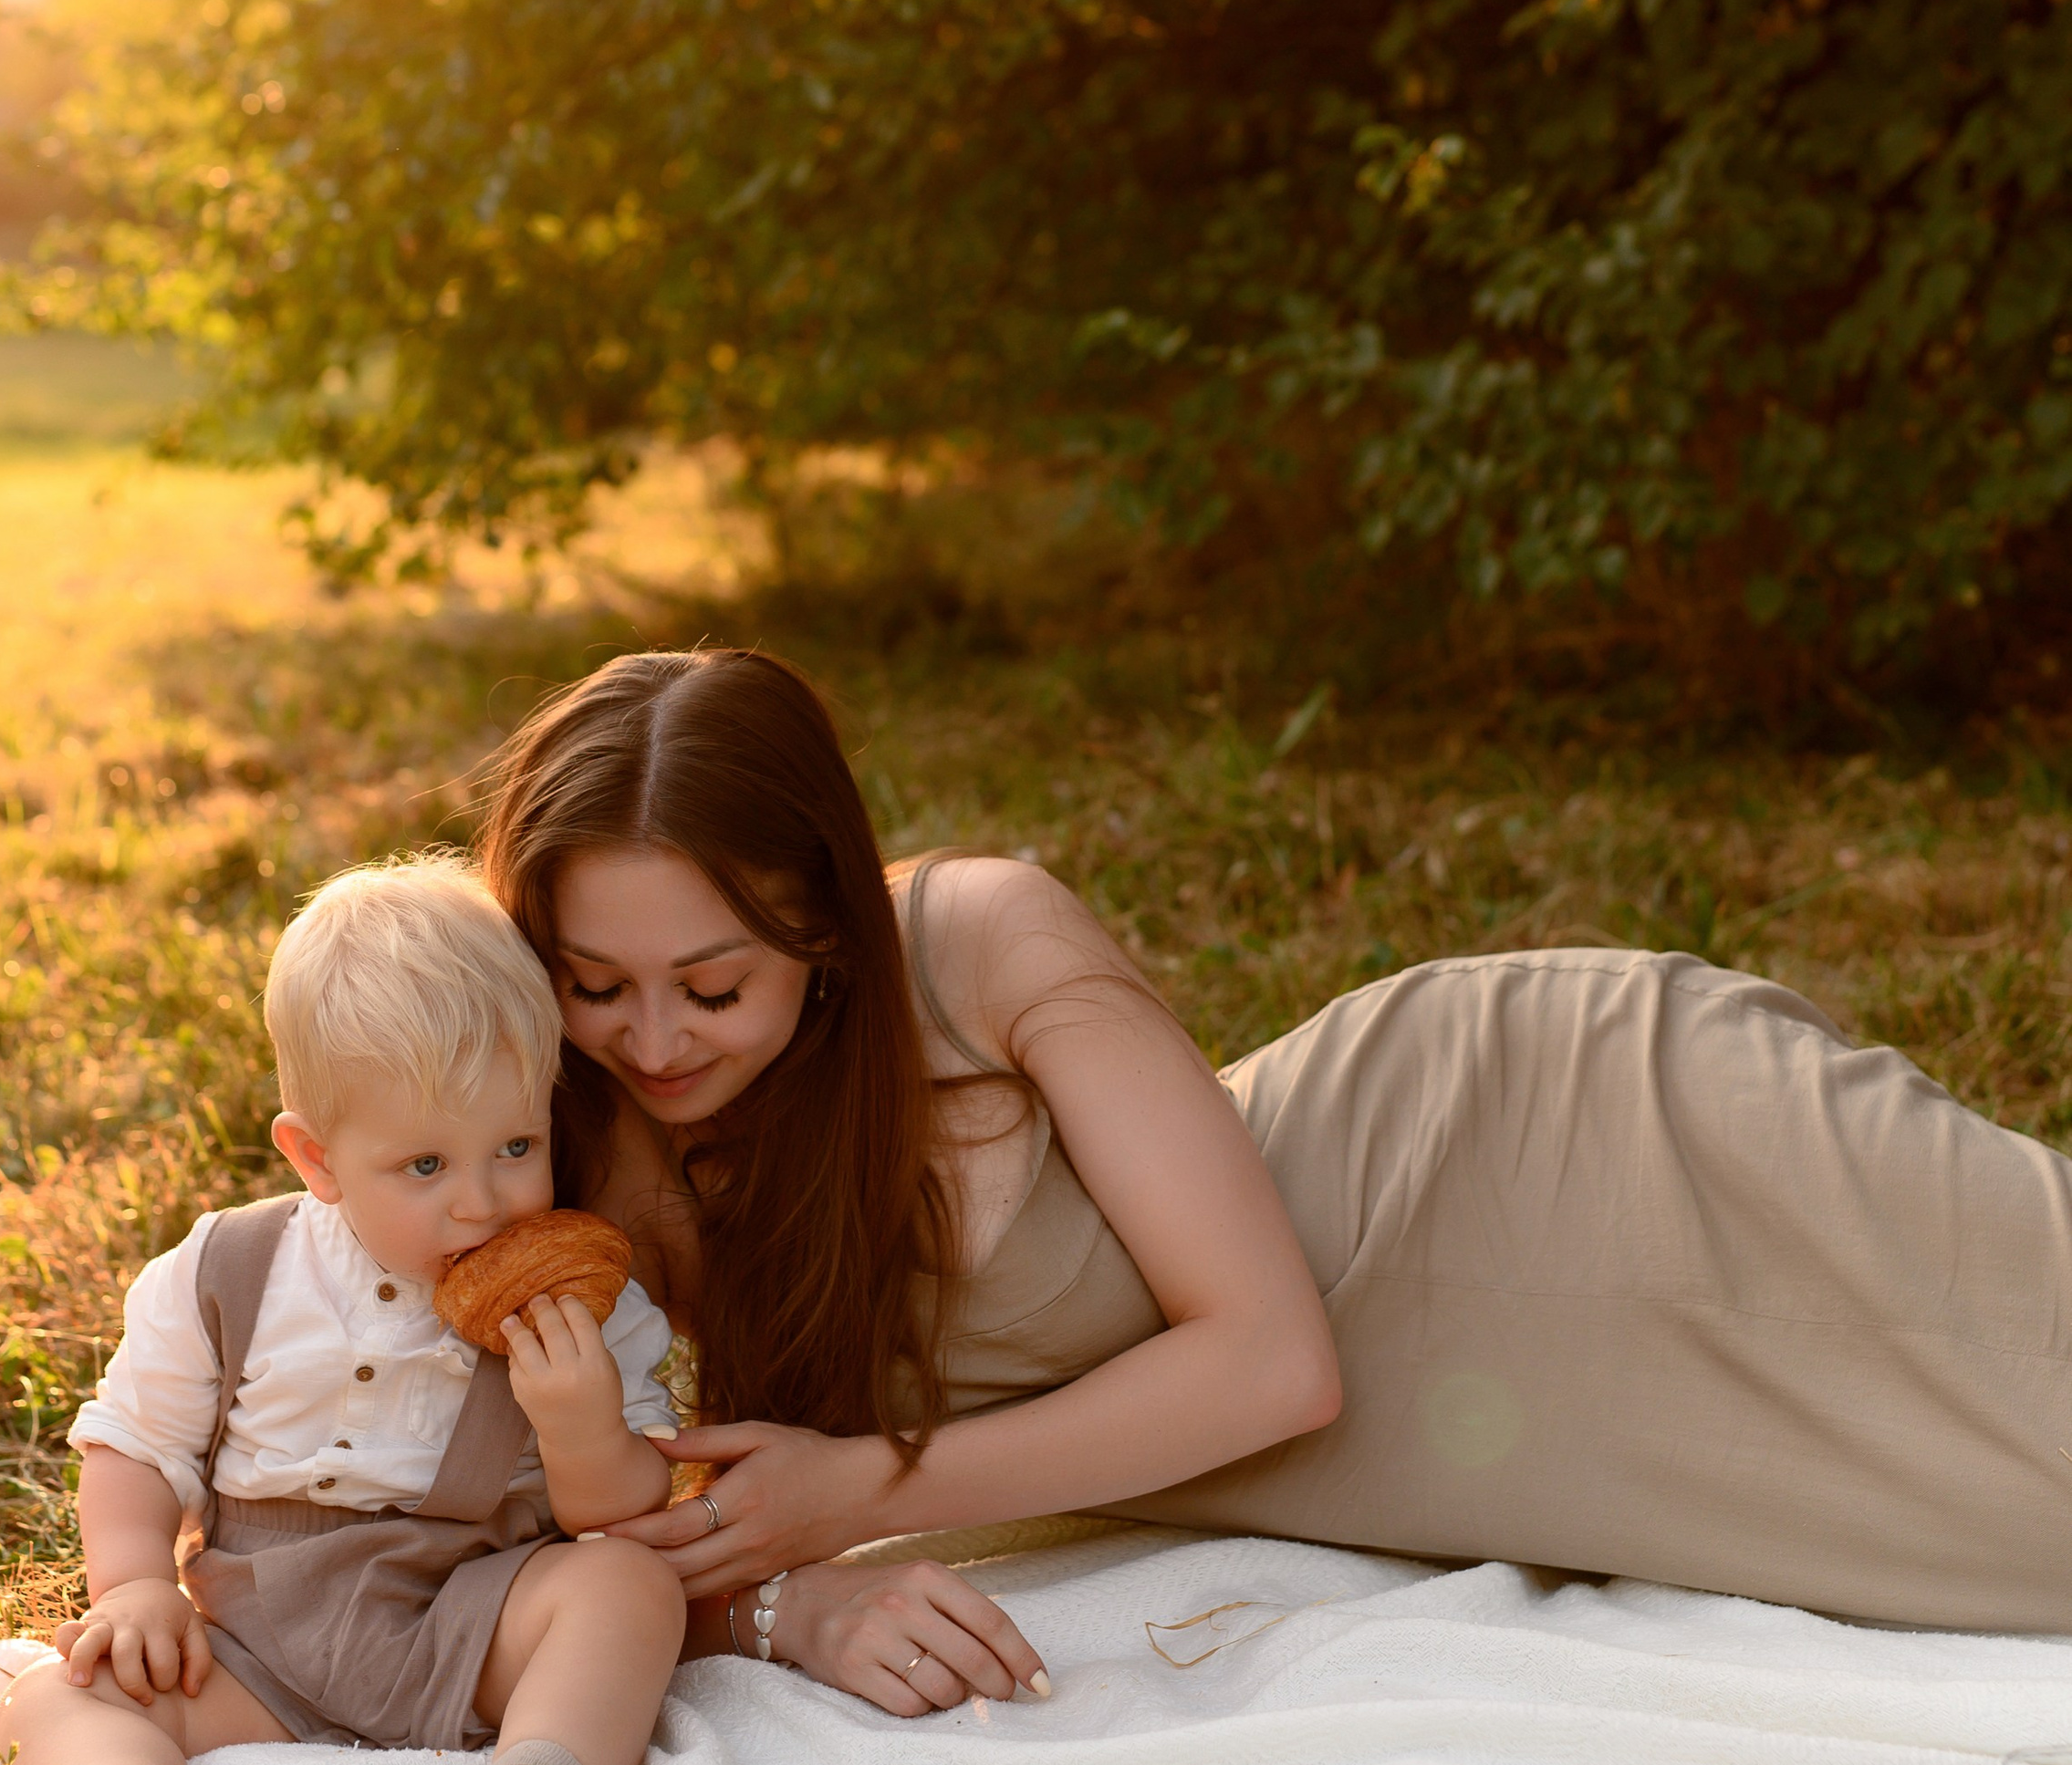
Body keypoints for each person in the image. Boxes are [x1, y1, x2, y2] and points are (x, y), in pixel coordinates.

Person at [474, 648, 2072, 1708]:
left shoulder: (971, 939)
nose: (655, 1036)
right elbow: (460, 1485)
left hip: (1569, 1145)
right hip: (1503, 1429)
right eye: (596, 980)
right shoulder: (575, 1123)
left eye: (714, 978)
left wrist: (862, 1495)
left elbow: (1271, 1356)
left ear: (819, 927)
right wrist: (788, 1607)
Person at [0, 857, 689, 1765]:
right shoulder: (231, 1269)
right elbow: (135, 1444)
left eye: (514, 1143)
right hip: (258, 1638)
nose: (482, 1202)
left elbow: (623, 1512)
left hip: (468, 1618)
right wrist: (138, 1583)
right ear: (315, 1158)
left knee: (628, 1588)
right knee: (57, 1690)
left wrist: (585, 1429)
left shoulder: (579, 1298)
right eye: (425, 1164)